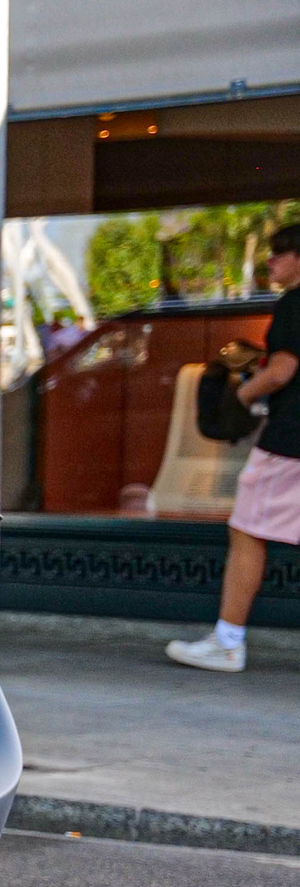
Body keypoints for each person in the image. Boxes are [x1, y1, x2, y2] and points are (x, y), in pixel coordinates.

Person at [165, 223, 300, 673]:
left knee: (247, 530)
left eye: (280, 254)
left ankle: (227, 641)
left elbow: (281, 370)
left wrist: (242, 395)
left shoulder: (295, 304)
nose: (272, 263)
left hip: (290, 441)